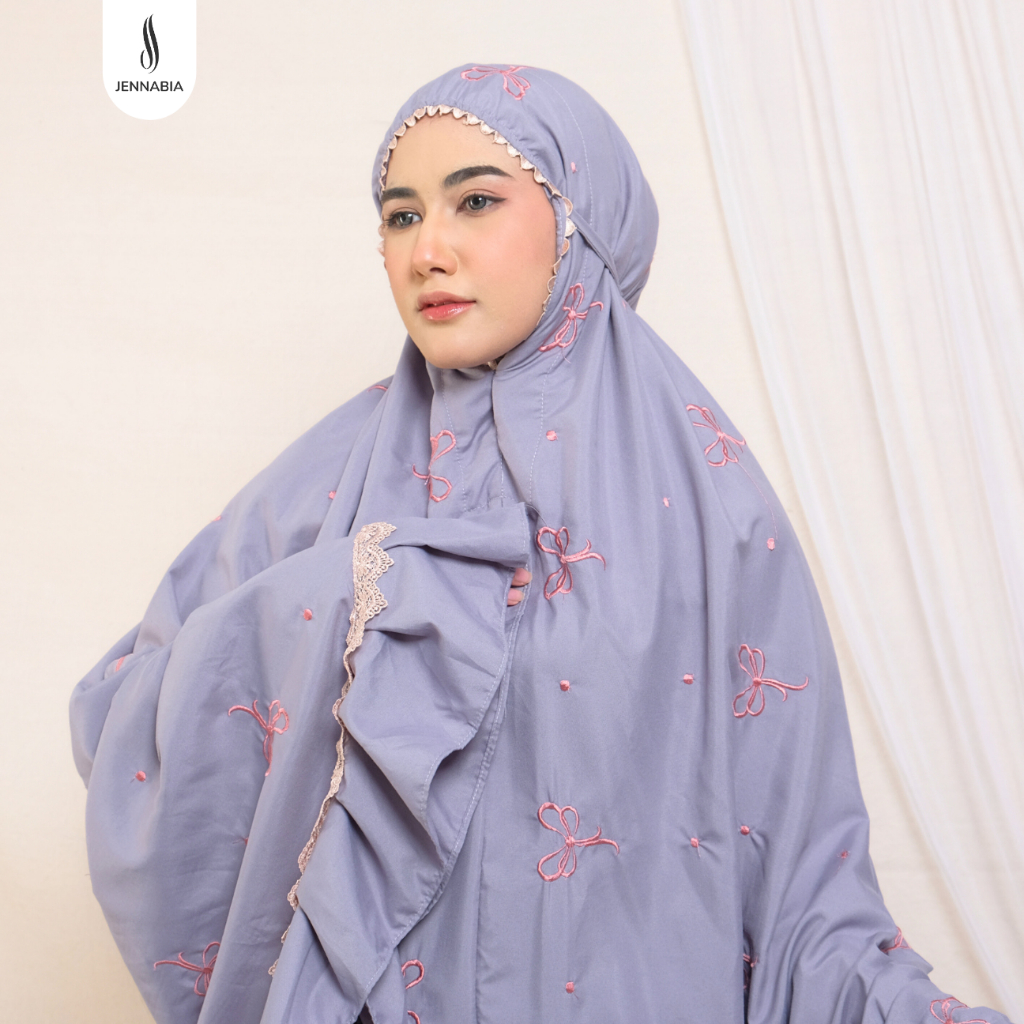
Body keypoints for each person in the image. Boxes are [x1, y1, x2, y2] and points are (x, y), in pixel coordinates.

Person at [69, 64, 1011, 1024]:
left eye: (475, 201)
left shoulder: (717, 508)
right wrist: (359, 599)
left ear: (576, 220)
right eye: (400, 217)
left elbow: (801, 882)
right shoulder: (322, 484)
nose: (427, 250)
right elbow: (124, 718)